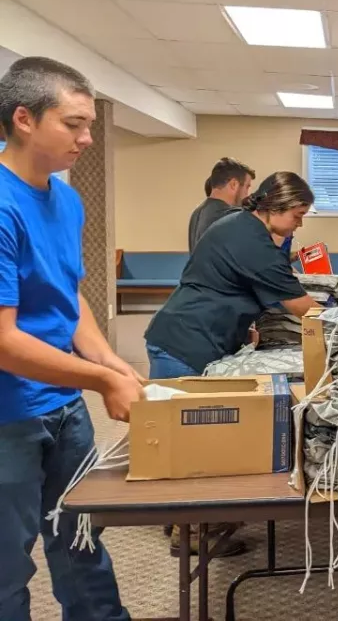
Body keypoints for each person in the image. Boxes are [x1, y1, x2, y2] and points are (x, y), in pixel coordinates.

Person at [0, 57, 143, 620]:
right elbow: (5, 341)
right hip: (9, 415)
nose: (87, 137)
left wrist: (108, 357)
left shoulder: (67, 199)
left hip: (63, 407)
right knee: (8, 568)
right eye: (74, 124)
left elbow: (69, 295)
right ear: (24, 119)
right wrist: (103, 376)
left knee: (81, 541)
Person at [147, 172, 317, 379]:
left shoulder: (240, 224)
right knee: (172, 410)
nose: (299, 224)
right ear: (275, 206)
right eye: (297, 215)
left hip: (188, 332)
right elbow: (303, 307)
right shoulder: (253, 242)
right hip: (185, 345)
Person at [188, 157, 255, 253]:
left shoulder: (197, 213)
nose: (247, 194)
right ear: (234, 184)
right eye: (247, 187)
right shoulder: (230, 216)